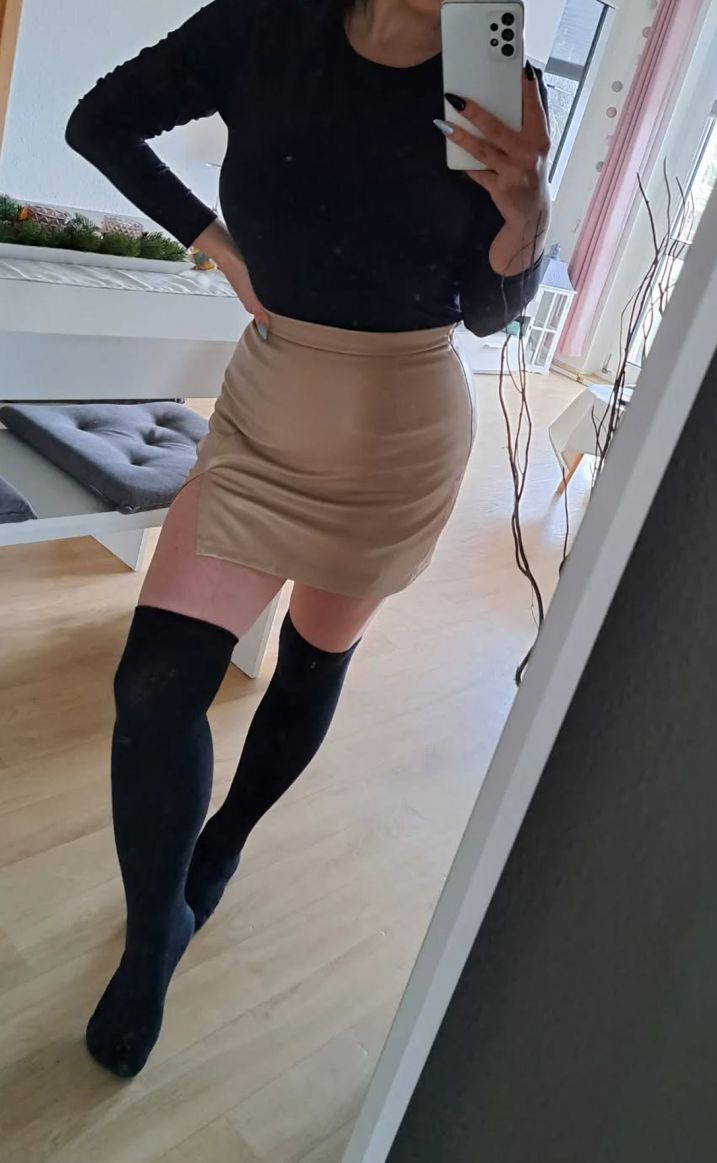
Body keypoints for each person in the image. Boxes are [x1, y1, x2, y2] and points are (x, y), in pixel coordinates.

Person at [65, 0, 551, 1078]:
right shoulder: (265, 24)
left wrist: (526, 213)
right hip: (267, 404)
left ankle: (224, 842)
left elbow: (487, 308)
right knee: (154, 685)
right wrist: (216, 247)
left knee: (314, 658)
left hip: (399, 427)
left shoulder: (491, 74)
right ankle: (153, 935)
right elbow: (97, 123)